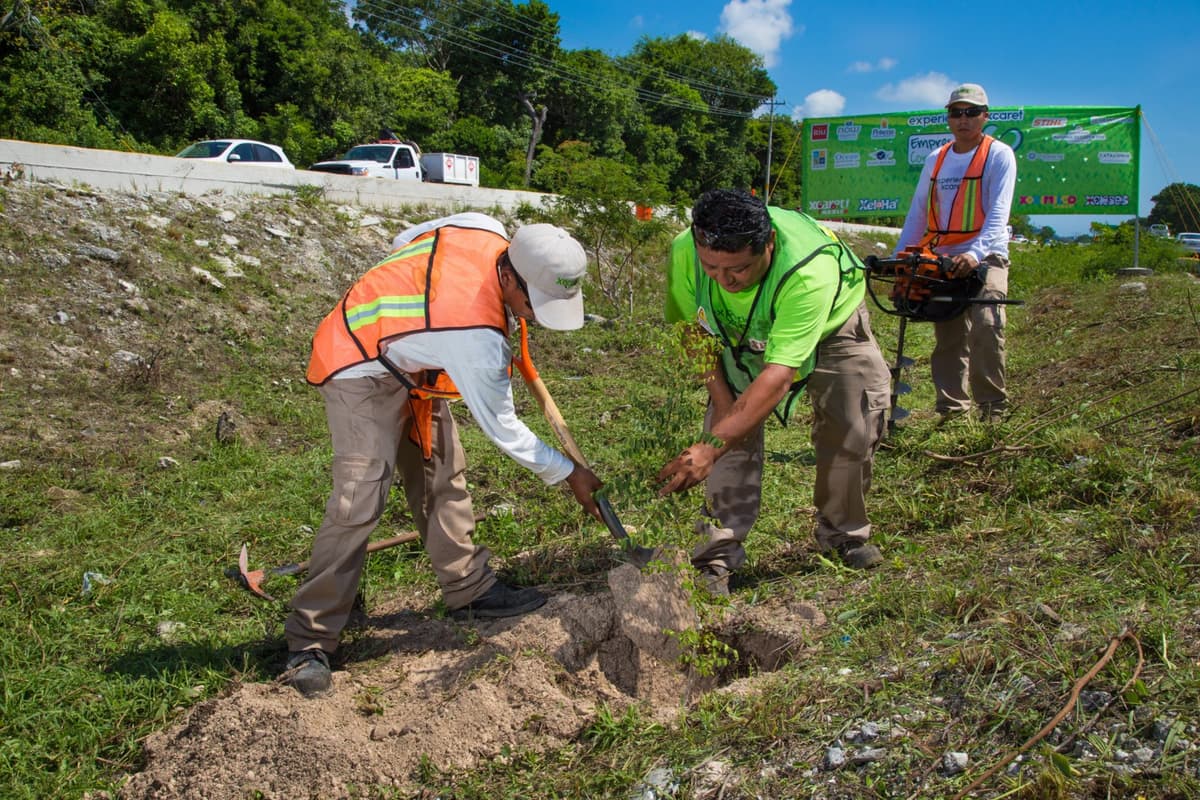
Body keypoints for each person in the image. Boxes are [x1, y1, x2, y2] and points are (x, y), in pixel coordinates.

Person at [282, 212, 602, 697]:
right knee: (359, 500)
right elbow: (505, 429)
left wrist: (417, 323)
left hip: (417, 360)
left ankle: (469, 590)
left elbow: (406, 239)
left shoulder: (485, 228)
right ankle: (310, 639)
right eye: (533, 304)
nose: (534, 315)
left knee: (441, 473)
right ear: (509, 276)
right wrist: (569, 472)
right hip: (357, 362)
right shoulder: (474, 337)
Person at [657, 189, 893, 594]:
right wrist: (723, 404)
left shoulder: (806, 272)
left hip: (832, 324)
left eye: (739, 269)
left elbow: (778, 375)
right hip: (737, 331)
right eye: (711, 267)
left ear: (768, 244)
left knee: (851, 425)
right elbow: (692, 334)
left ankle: (843, 536)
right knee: (727, 426)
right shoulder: (686, 251)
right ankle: (716, 557)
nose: (724, 280)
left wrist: (711, 446)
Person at [894, 83, 1017, 422]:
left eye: (971, 112)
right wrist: (899, 257)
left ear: (985, 116)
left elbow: (998, 213)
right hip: (943, 257)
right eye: (956, 112)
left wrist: (976, 253)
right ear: (948, 117)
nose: (963, 120)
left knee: (987, 325)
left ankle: (992, 410)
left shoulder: (999, 155)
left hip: (987, 254)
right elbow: (918, 211)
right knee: (948, 336)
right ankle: (951, 410)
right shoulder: (938, 158)